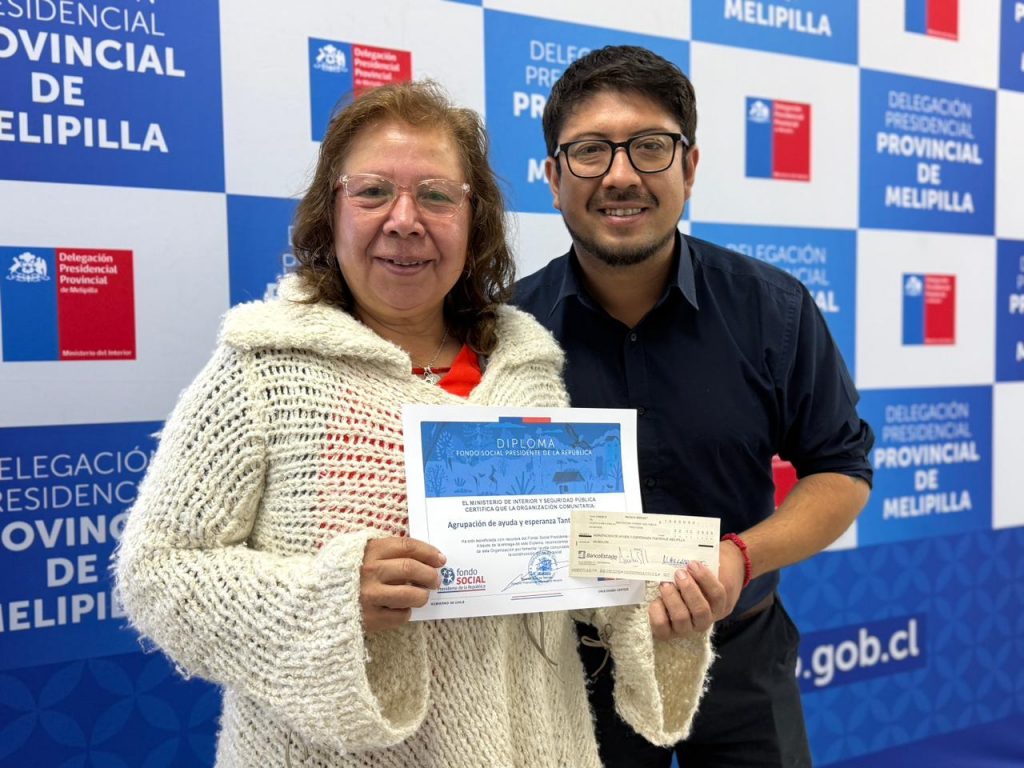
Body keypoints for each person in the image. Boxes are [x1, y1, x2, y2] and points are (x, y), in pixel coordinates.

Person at [114, 80, 713, 768]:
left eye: (436, 196)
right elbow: (155, 572)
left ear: (473, 220)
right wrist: (328, 598)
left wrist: (655, 594)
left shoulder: (525, 365)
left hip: (537, 744)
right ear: (331, 212)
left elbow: (560, 553)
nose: (404, 220)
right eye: (372, 192)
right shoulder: (266, 368)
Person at [513, 46, 875, 767]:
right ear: (553, 179)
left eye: (650, 147)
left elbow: (841, 470)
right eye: (590, 151)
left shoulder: (773, 310)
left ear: (690, 168)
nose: (620, 175)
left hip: (741, 658)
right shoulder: (507, 331)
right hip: (571, 673)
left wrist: (742, 556)